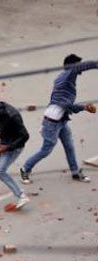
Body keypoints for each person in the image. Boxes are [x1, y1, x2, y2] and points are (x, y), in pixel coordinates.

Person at [20, 54, 97, 184]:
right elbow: (66, 105)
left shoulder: (64, 77)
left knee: (69, 146)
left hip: (61, 120)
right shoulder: (67, 75)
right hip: (52, 122)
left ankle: (75, 172)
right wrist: (84, 107)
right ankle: (25, 168)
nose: (81, 68)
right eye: (78, 65)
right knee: (46, 150)